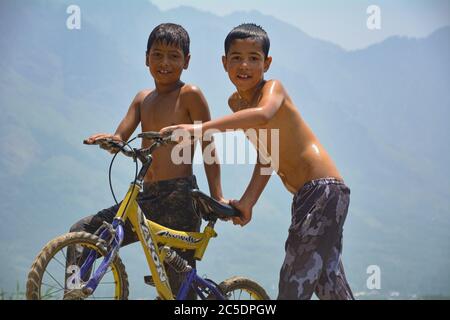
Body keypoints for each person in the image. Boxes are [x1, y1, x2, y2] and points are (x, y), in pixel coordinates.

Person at [161, 23, 354, 300]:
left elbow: (263, 115)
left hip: (323, 190)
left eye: (254, 58)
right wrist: (248, 201)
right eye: (236, 58)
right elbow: (268, 153)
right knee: (328, 282)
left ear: (267, 63)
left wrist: (197, 129)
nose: (244, 65)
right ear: (224, 63)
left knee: (294, 281)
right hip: (311, 195)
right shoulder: (236, 104)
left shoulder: (272, 90)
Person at [68, 23, 224, 300]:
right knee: (82, 230)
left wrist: (217, 196)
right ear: (146, 58)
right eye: (157, 54)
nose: (165, 63)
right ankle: (73, 292)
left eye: (174, 56)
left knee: (177, 290)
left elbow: (209, 145)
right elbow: (121, 137)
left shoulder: (190, 94)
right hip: (144, 198)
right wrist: (110, 141)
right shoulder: (142, 99)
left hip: (180, 199)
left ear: (186, 61)